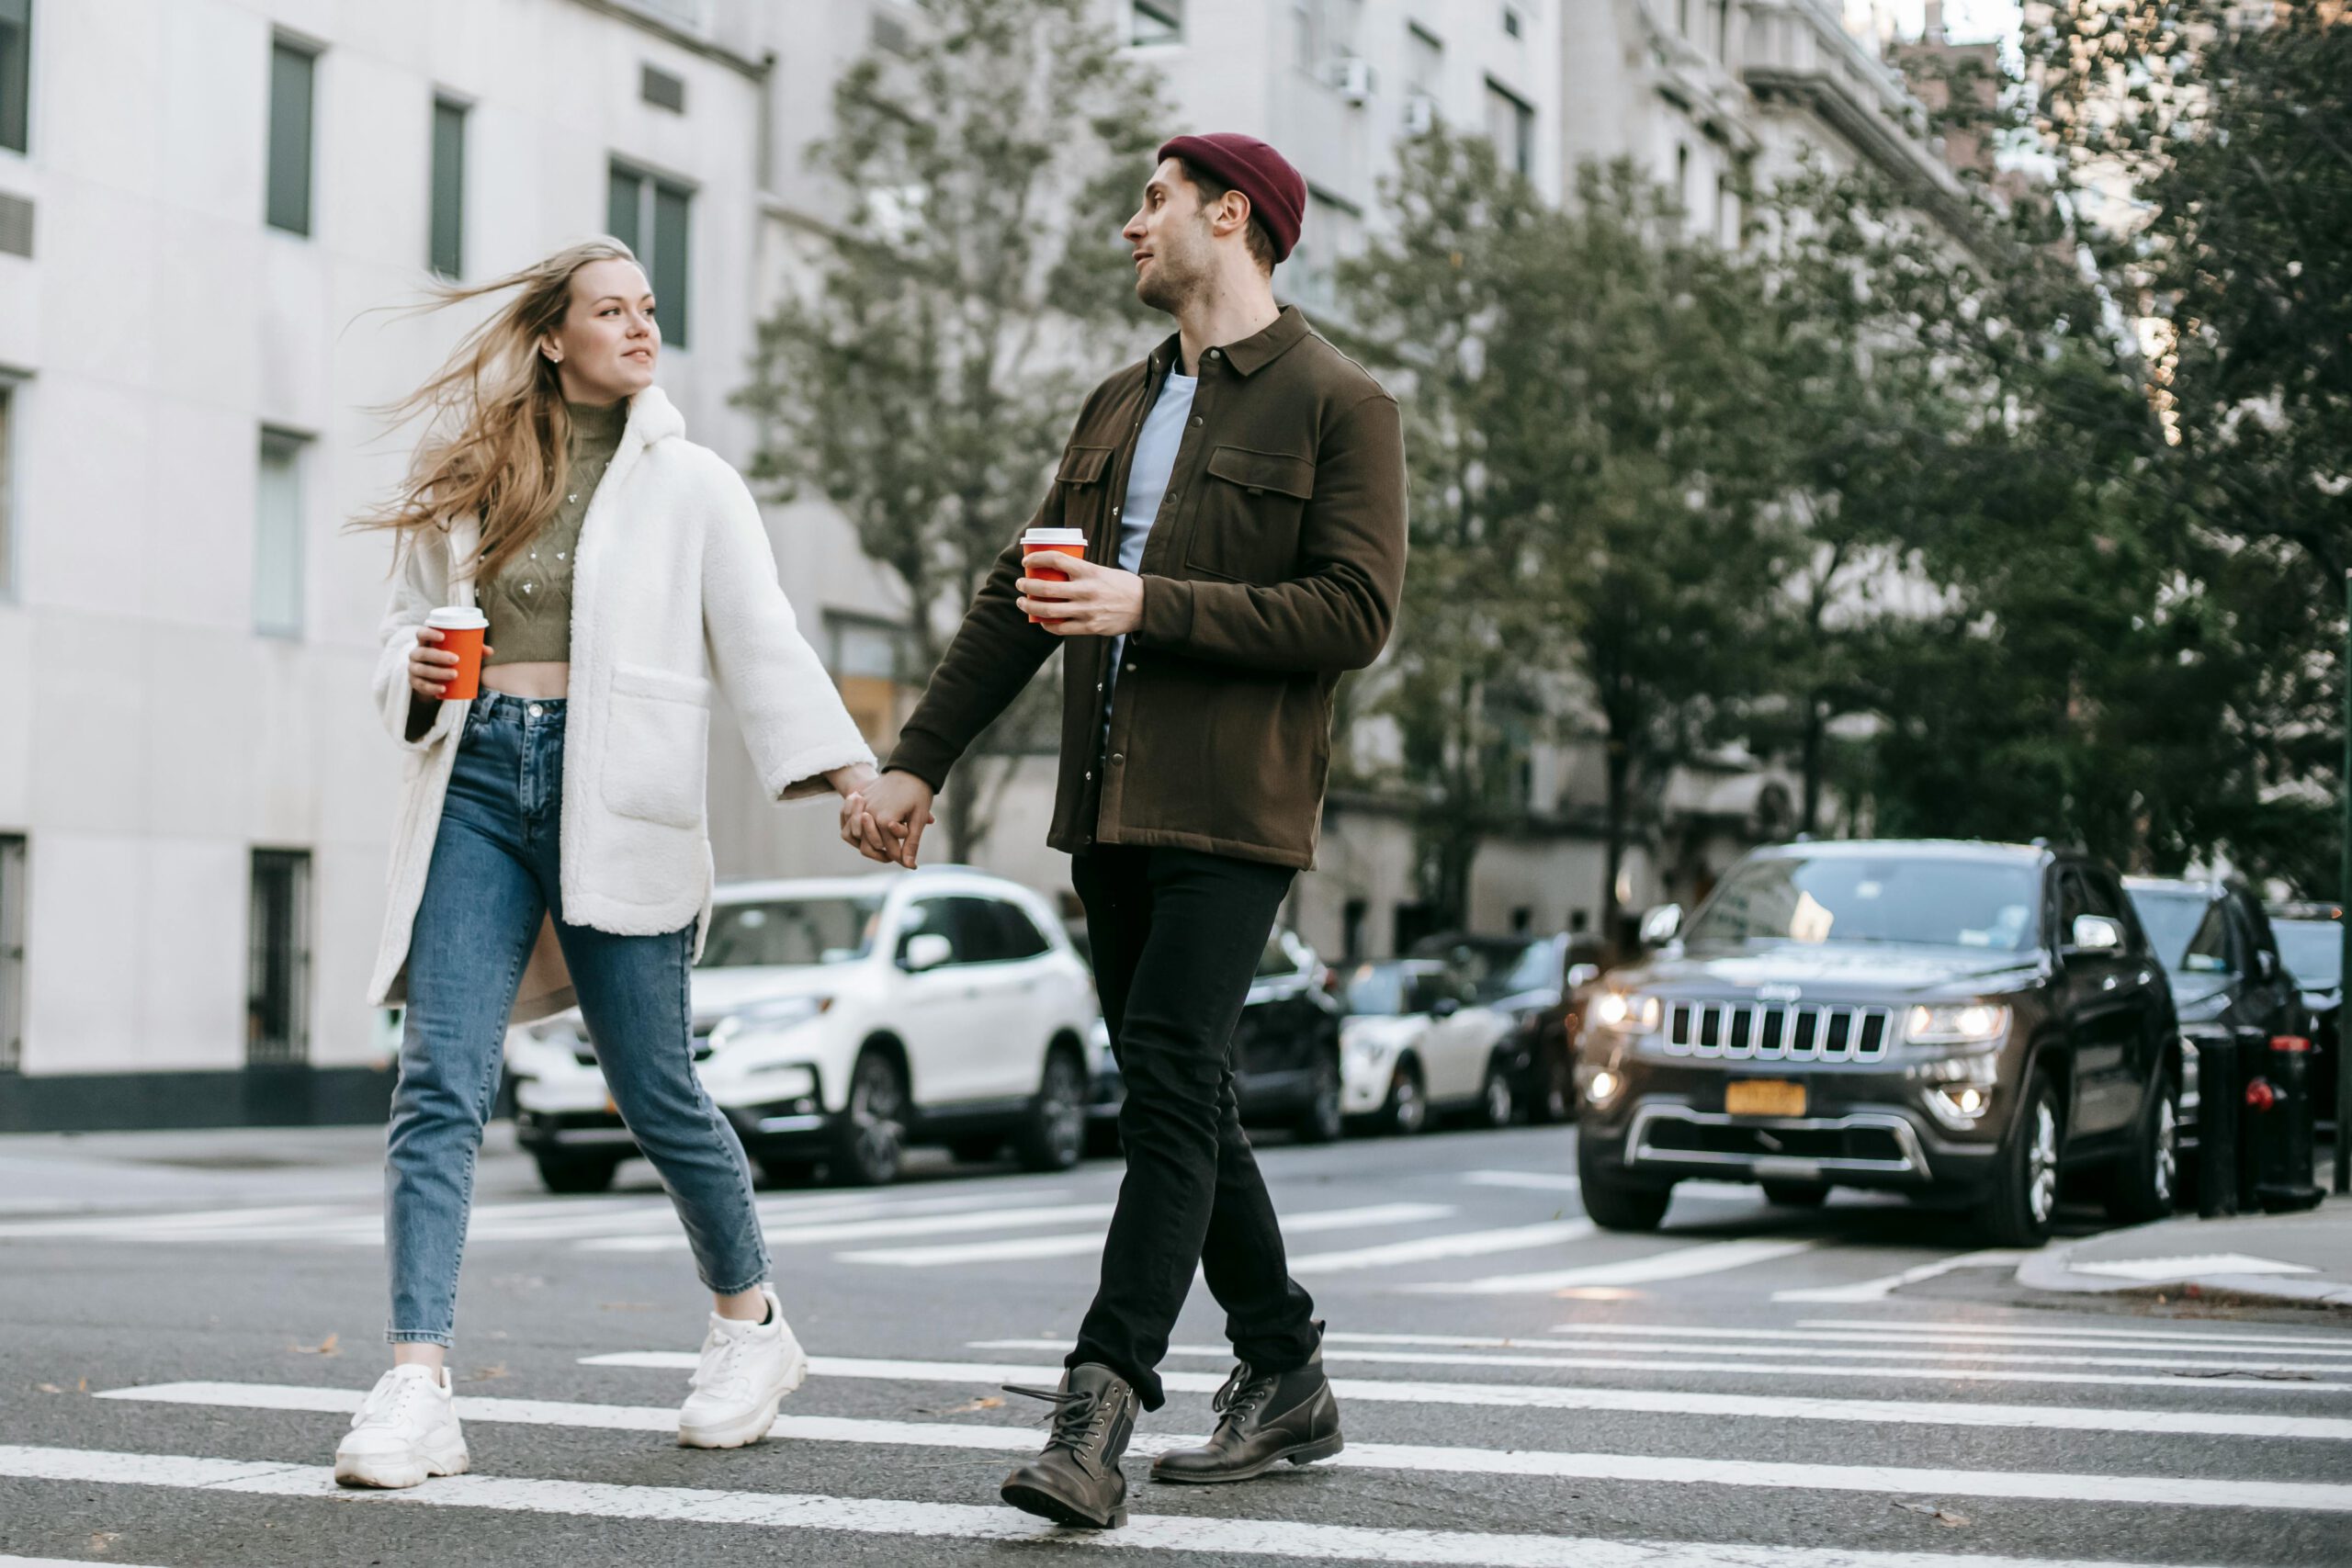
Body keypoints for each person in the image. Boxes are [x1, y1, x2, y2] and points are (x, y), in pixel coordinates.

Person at [844, 133, 1408, 1529]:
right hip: (1107, 807)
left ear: (1234, 218)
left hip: (1234, 813)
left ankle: (1098, 1407)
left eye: (1151, 200)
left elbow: (1355, 616)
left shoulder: (1342, 403)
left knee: (1164, 1084)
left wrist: (1150, 604)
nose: (1127, 224)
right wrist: (918, 762)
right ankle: (1286, 1369)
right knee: (1189, 1097)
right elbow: (1015, 596)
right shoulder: (1117, 403)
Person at [345, 241, 878, 1489]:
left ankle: (751, 1322)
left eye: (648, 309)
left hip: (614, 792)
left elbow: (764, 642)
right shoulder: (469, 475)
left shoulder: (694, 485)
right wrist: (415, 673)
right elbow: (401, 632)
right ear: (553, 335)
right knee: (439, 1083)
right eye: (611, 311)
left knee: (656, 1091)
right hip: (474, 781)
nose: (641, 328)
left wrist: (853, 776)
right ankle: (416, 1381)